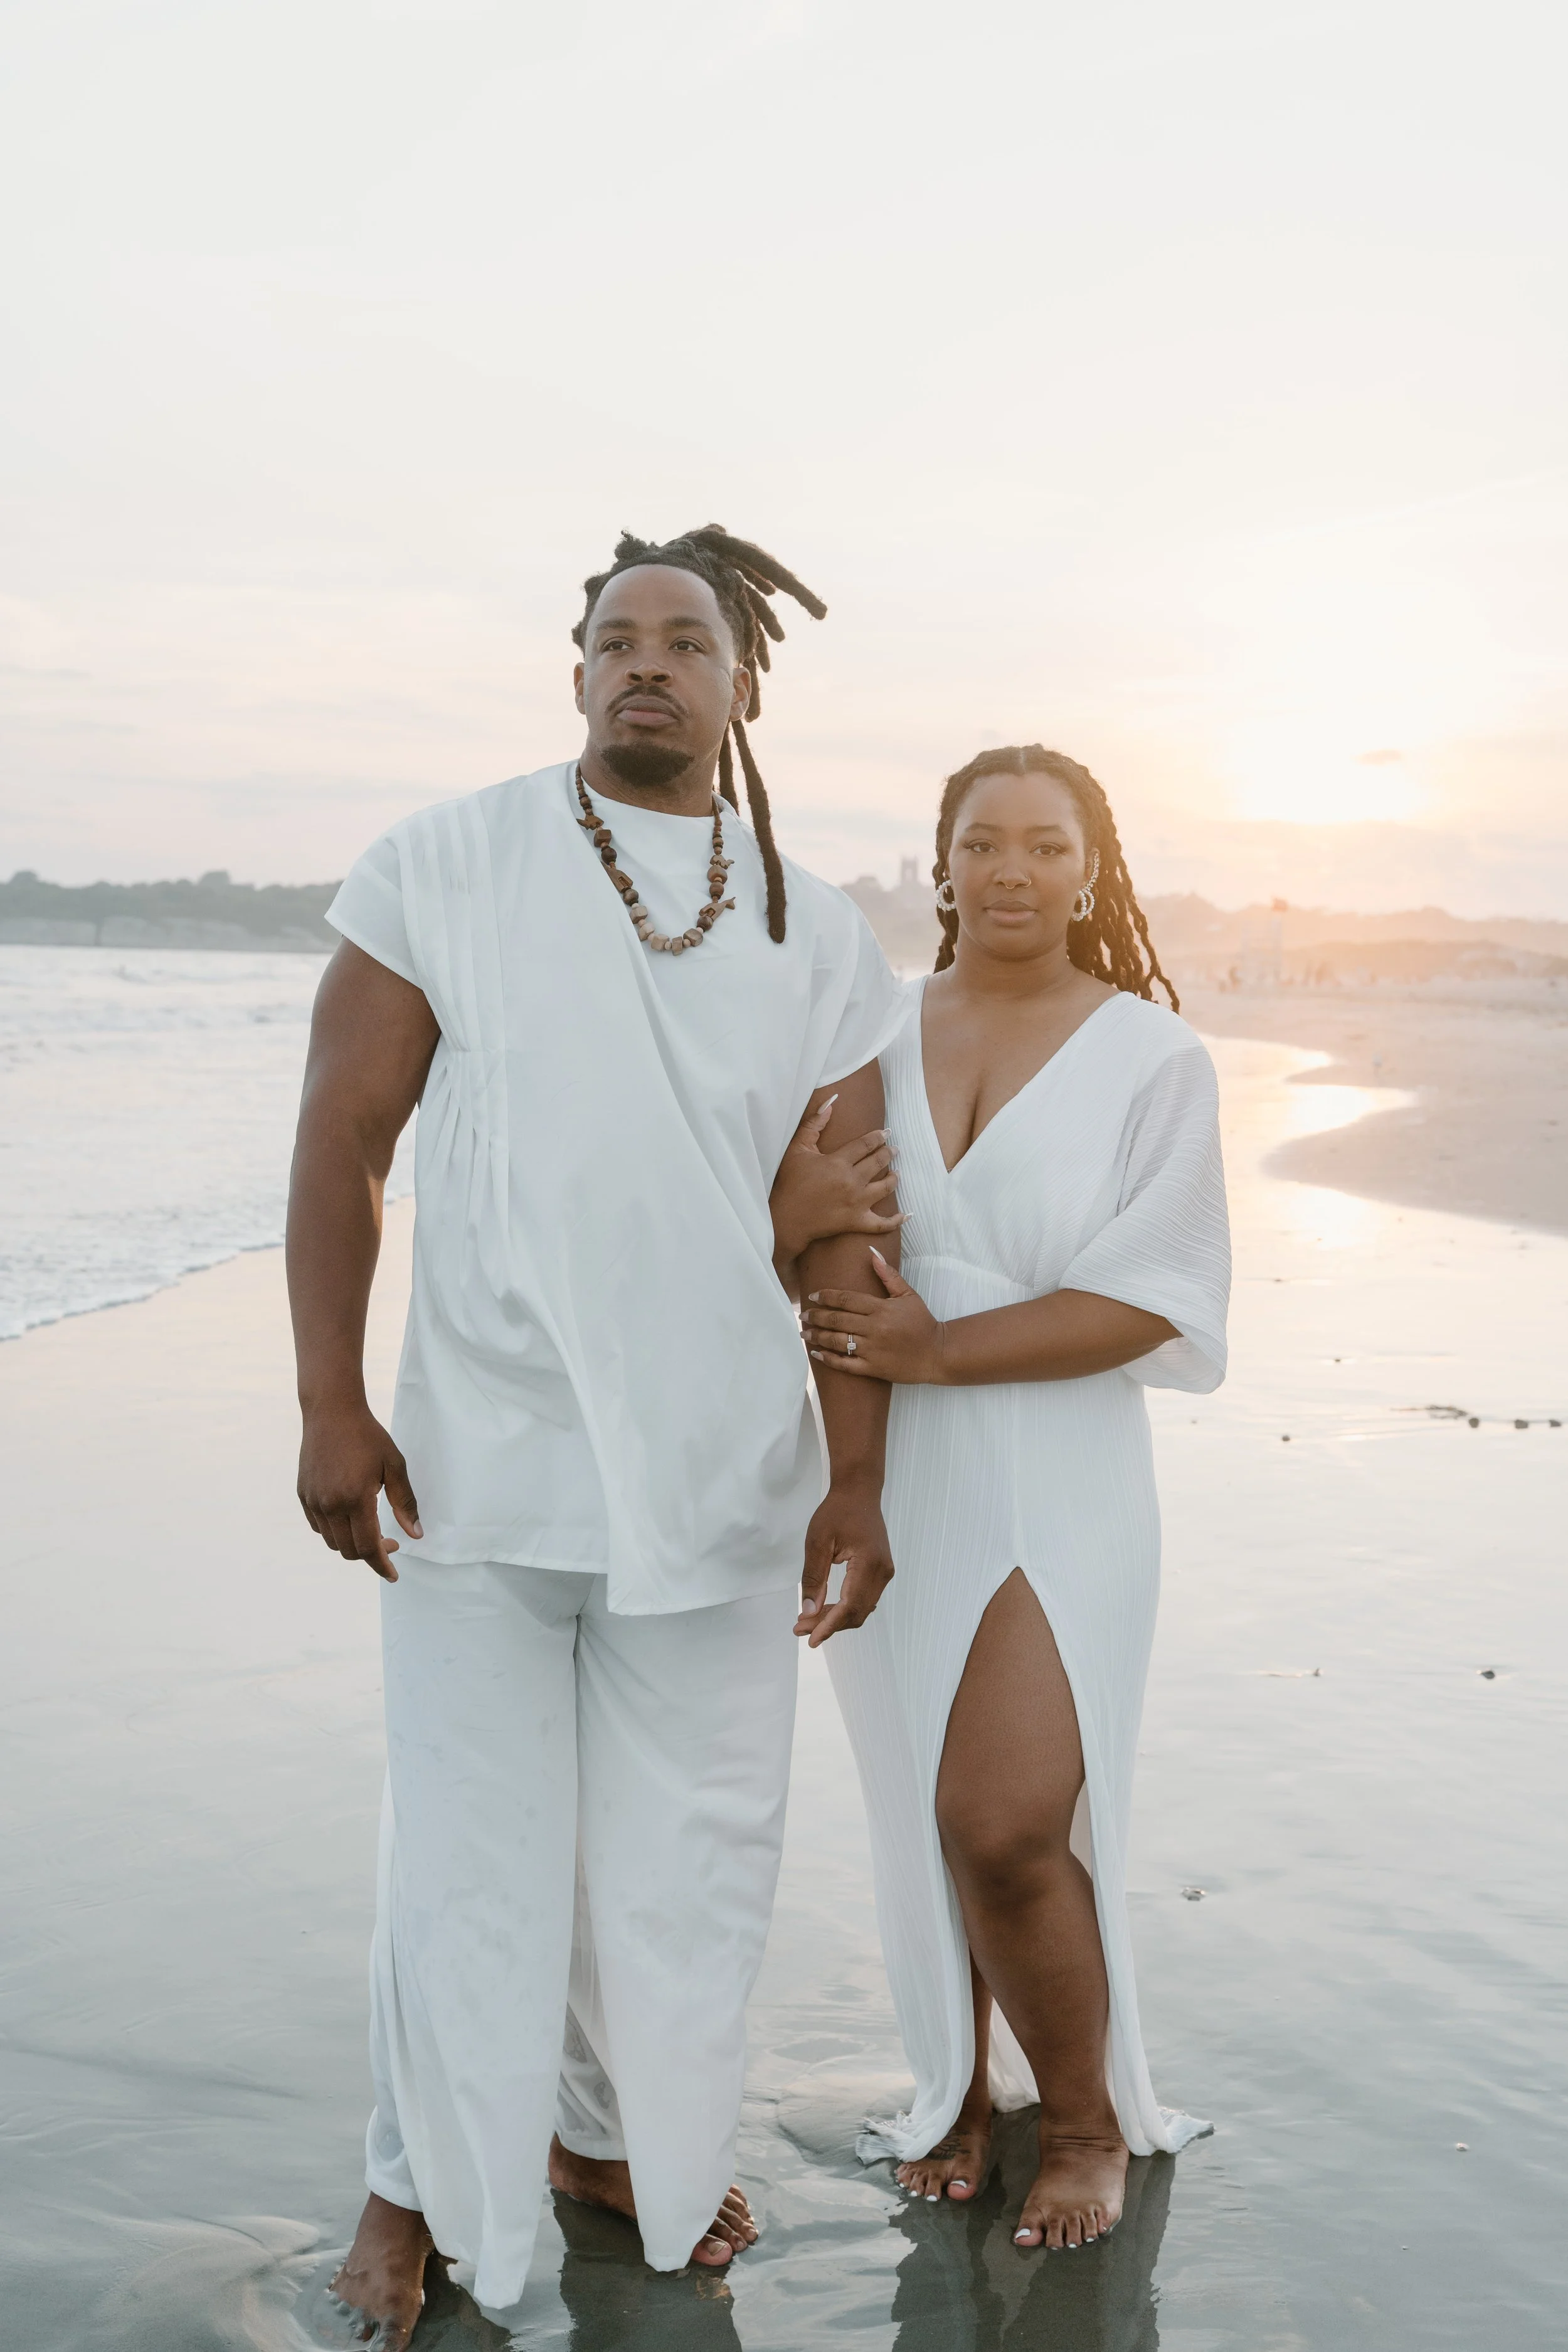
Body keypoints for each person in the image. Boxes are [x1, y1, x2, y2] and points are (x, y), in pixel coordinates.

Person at [285, 527, 911, 2345]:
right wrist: (332, 1398)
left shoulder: (813, 921)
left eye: (687, 640)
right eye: (614, 638)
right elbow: (343, 1139)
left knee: (688, 1851)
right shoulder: (444, 861)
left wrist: (855, 1472)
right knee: (466, 1858)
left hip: (721, 1467)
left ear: (741, 682)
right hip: (478, 1450)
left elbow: (844, 1229)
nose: (649, 662)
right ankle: (414, 2190)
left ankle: (629, 2135)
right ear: (574, 675)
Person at [792, 744, 1231, 2254]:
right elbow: (833, 1263)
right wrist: (852, 1482)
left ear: (1089, 871)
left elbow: (1154, 1297)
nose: (1010, 874)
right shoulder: (871, 1031)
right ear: (941, 864)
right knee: (924, 1804)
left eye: (1045, 848)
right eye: (981, 845)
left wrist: (942, 1345)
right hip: (895, 1464)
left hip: (1061, 1471)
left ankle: (1091, 2120)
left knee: (1002, 1819)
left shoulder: (1151, 1059)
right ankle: (961, 2090)